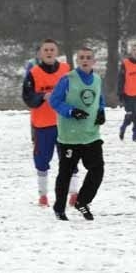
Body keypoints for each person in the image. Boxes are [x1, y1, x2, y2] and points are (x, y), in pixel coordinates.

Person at [49, 46, 106, 221]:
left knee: (97, 169)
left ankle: (82, 201)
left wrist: (101, 111)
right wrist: (71, 111)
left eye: (88, 57)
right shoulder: (67, 79)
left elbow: (99, 99)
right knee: (66, 173)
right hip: (70, 137)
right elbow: (54, 100)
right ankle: (59, 208)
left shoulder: (97, 79)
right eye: (81, 57)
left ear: (94, 61)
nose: (85, 60)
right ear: (77, 60)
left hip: (91, 135)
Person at [21, 38, 79, 208]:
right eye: (45, 50)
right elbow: (27, 97)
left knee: (70, 159)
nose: (49, 52)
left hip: (65, 124)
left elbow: (77, 92)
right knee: (42, 160)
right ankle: (43, 195)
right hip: (42, 125)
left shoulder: (66, 70)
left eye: (52, 49)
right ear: (40, 53)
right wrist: (42, 97)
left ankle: (74, 194)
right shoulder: (34, 73)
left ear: (57, 52)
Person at [117, 42, 136, 142]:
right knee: (131, 114)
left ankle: (135, 135)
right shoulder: (125, 63)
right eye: (134, 50)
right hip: (129, 94)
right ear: (131, 52)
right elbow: (120, 79)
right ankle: (123, 127)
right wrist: (120, 93)